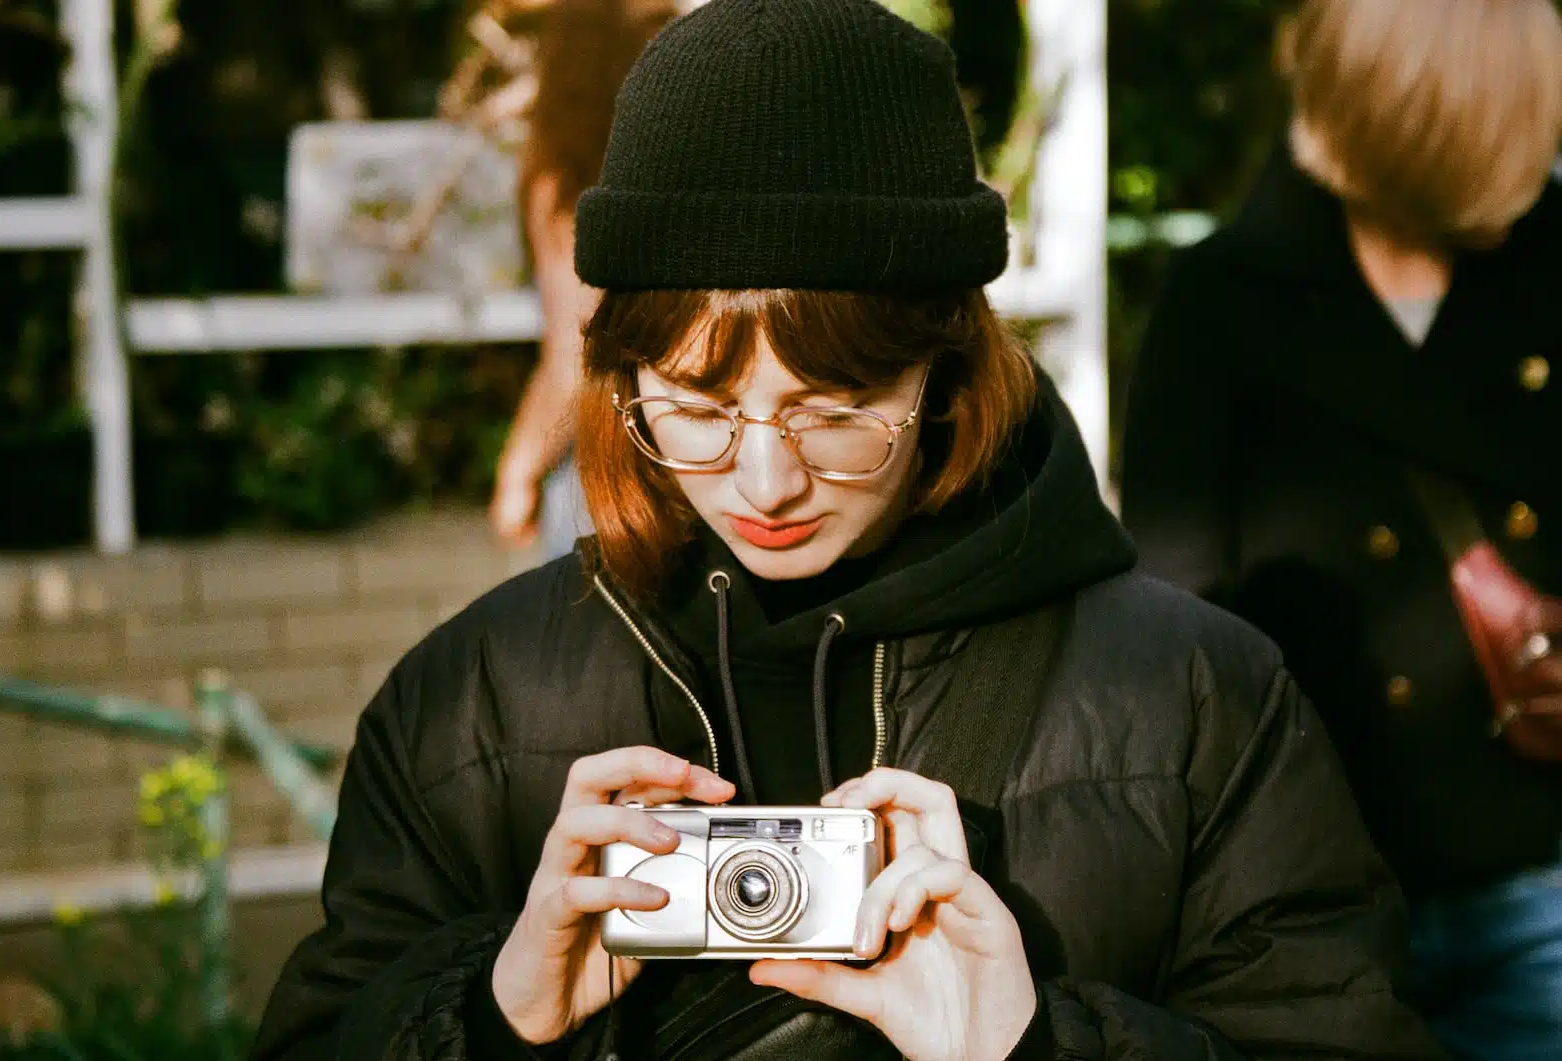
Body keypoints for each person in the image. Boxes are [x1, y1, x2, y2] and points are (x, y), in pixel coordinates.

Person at [252, 2, 1447, 1059]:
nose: (766, 481)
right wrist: (493, 1013)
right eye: (699, 411)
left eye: (837, 414)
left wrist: (1032, 1044)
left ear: (945, 368)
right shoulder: (476, 698)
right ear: (617, 381)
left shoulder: (1198, 699)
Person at [1118, 1, 1562, 1058]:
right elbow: (1177, 621)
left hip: (1534, 866)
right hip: (1308, 892)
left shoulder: (1547, 273)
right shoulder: (1221, 302)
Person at [489, 0, 681, 559]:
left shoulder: (570, 176)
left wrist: (518, 470)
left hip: (610, 466)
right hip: (703, 448)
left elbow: (577, 353)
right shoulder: (682, 161)